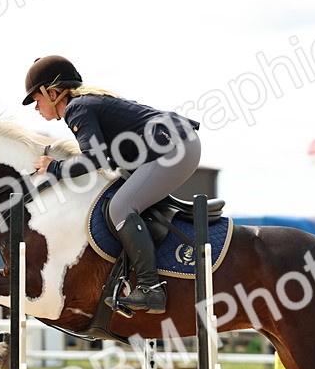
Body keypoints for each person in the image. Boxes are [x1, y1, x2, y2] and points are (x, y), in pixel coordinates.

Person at [22, 55, 202, 314]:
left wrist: (54, 167)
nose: (36, 107)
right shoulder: (86, 105)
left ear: (52, 93)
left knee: (120, 207)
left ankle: (151, 289)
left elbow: (92, 159)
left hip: (174, 148)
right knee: (118, 199)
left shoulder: (77, 108)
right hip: (174, 145)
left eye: (35, 99)